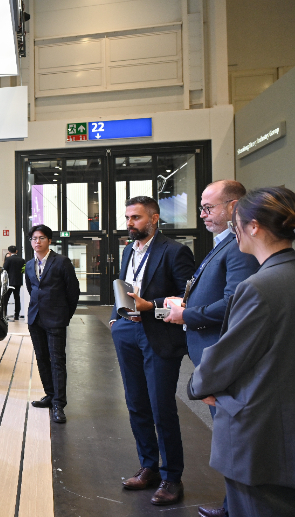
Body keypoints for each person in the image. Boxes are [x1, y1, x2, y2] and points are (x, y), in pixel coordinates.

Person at [188, 187, 295, 517]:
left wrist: (199, 385)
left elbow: (231, 354)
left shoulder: (258, 287)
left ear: (254, 227)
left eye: (237, 225)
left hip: (260, 434)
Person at [163, 180, 259, 517]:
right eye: (201, 207)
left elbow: (234, 302)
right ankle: (232, 504)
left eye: (208, 207)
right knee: (228, 437)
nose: (202, 214)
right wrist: (185, 304)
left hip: (223, 357)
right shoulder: (222, 244)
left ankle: (237, 507)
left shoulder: (238, 248)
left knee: (234, 439)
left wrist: (187, 314)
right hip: (210, 353)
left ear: (233, 207)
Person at [109, 196, 195, 505]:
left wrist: (151, 307)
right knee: (136, 404)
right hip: (127, 332)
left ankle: (172, 477)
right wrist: (115, 318)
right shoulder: (128, 249)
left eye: (136, 217)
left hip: (158, 335)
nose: (130, 223)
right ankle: (149, 467)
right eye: (127, 217)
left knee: (161, 408)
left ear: (154, 218)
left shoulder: (175, 251)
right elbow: (123, 286)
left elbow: (187, 301)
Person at [24, 225, 80, 424]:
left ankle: (59, 403)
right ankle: (49, 394)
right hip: (35, 318)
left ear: (49, 240)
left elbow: (73, 291)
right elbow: (32, 288)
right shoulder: (29, 265)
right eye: (34, 238)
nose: (37, 241)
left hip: (56, 318)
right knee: (41, 358)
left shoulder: (61, 262)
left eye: (41, 238)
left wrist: (65, 314)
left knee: (57, 361)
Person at [2, 245, 25, 320]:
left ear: (9, 252)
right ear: (16, 251)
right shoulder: (21, 260)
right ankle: (16, 315)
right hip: (18, 281)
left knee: (6, 299)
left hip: (10, 282)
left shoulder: (8, 259)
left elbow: (4, 269)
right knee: (17, 298)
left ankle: (4, 314)